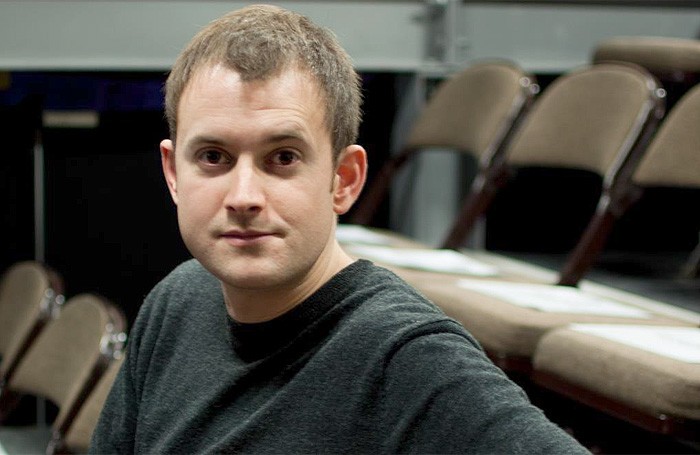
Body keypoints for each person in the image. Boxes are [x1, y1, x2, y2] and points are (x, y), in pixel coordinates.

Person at [90, 4, 588, 454]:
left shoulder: (411, 359)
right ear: (174, 173)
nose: (243, 196)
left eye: (283, 158)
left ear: (343, 179)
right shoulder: (176, 301)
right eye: (213, 157)